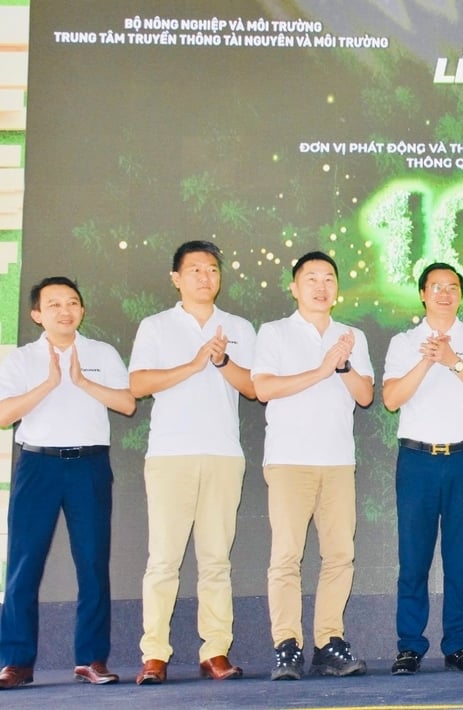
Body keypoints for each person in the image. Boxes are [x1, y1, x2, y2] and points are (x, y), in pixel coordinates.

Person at [129, 241, 256, 685]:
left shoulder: (238, 326)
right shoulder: (156, 326)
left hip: (223, 454)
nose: (206, 276)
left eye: (213, 269)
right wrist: (195, 361)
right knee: (163, 560)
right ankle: (154, 655)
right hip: (169, 455)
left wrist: (221, 360)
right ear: (176, 278)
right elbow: (139, 383)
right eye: (196, 269)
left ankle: (215, 650)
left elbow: (253, 388)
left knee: (216, 560)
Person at [0, 277, 135, 690]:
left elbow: (127, 404)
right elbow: (4, 414)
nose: (65, 310)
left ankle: (91, 659)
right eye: (54, 304)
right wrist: (48, 384)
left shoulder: (102, 353)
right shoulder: (20, 359)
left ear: (82, 310)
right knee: (24, 564)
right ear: (37, 314)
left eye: (73, 302)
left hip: (89, 465)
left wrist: (81, 381)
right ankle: (16, 661)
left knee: (93, 563)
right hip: (38, 466)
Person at [252, 251, 374, 680]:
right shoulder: (275, 332)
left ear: (337, 289)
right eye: (311, 279)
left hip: (338, 461)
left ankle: (328, 642)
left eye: (328, 279)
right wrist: (322, 368)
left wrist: (340, 364)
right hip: (289, 461)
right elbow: (263, 388)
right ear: (295, 287)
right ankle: (287, 645)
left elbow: (364, 396)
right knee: (286, 556)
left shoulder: (351, 335)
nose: (321, 286)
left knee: (340, 555)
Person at [383, 262, 463, 675]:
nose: (444, 294)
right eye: (436, 287)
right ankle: (410, 646)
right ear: (423, 294)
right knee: (413, 558)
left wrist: (452, 360)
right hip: (417, 460)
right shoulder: (403, 342)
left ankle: (458, 645)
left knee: (459, 557)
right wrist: (427, 361)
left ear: (461, 296)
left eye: (452, 287)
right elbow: (392, 399)